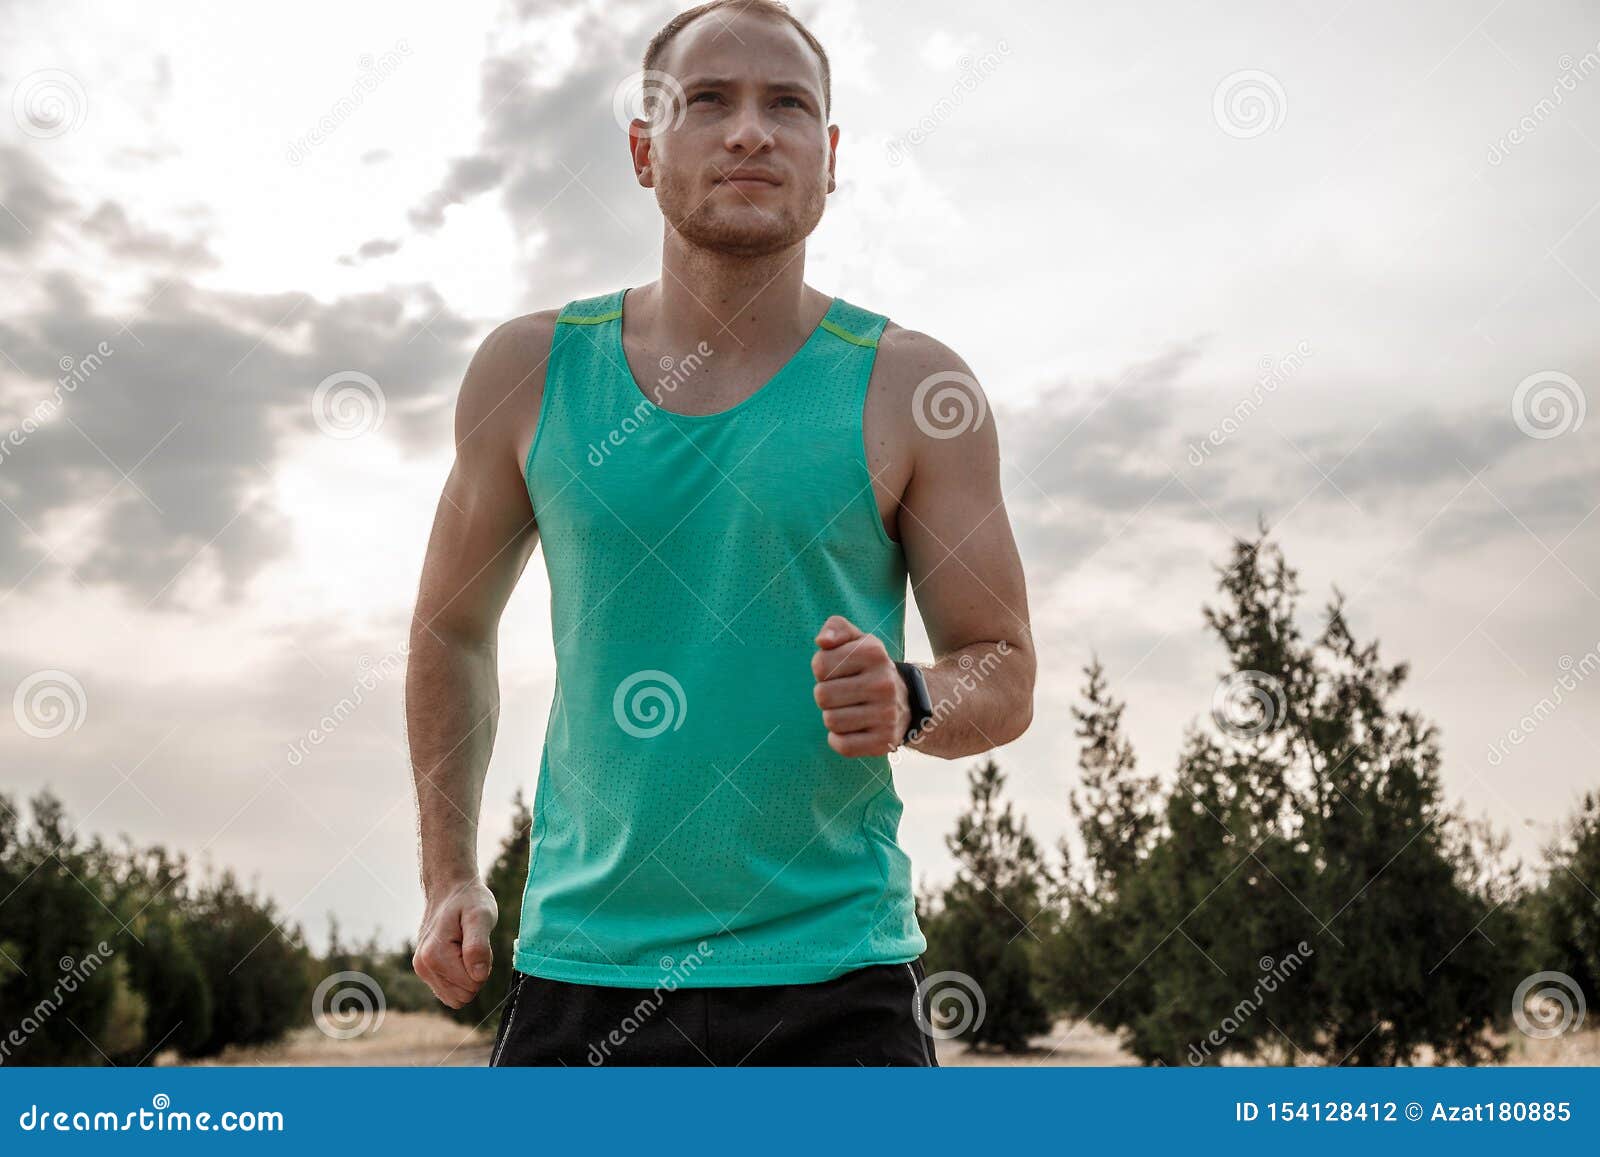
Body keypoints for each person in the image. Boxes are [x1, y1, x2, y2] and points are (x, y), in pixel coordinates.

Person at [406, 0, 1034, 1066]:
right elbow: (450, 630)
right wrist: (448, 874)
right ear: (645, 148)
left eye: (787, 105)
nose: (751, 131)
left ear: (828, 159)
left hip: (839, 988)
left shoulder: (916, 387)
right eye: (710, 102)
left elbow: (1005, 668)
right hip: (581, 982)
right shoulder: (527, 373)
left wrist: (915, 697)